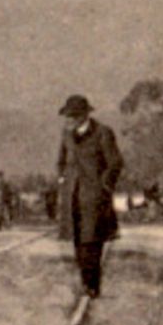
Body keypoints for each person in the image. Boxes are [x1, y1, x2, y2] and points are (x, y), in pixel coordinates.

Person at [56, 94, 123, 298]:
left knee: (92, 241)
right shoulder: (66, 135)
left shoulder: (103, 133)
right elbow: (60, 161)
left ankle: (92, 285)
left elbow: (115, 163)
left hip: (94, 198)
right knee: (77, 241)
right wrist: (62, 179)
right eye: (67, 116)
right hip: (72, 197)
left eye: (73, 116)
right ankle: (86, 280)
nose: (69, 120)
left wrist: (104, 185)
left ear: (84, 115)